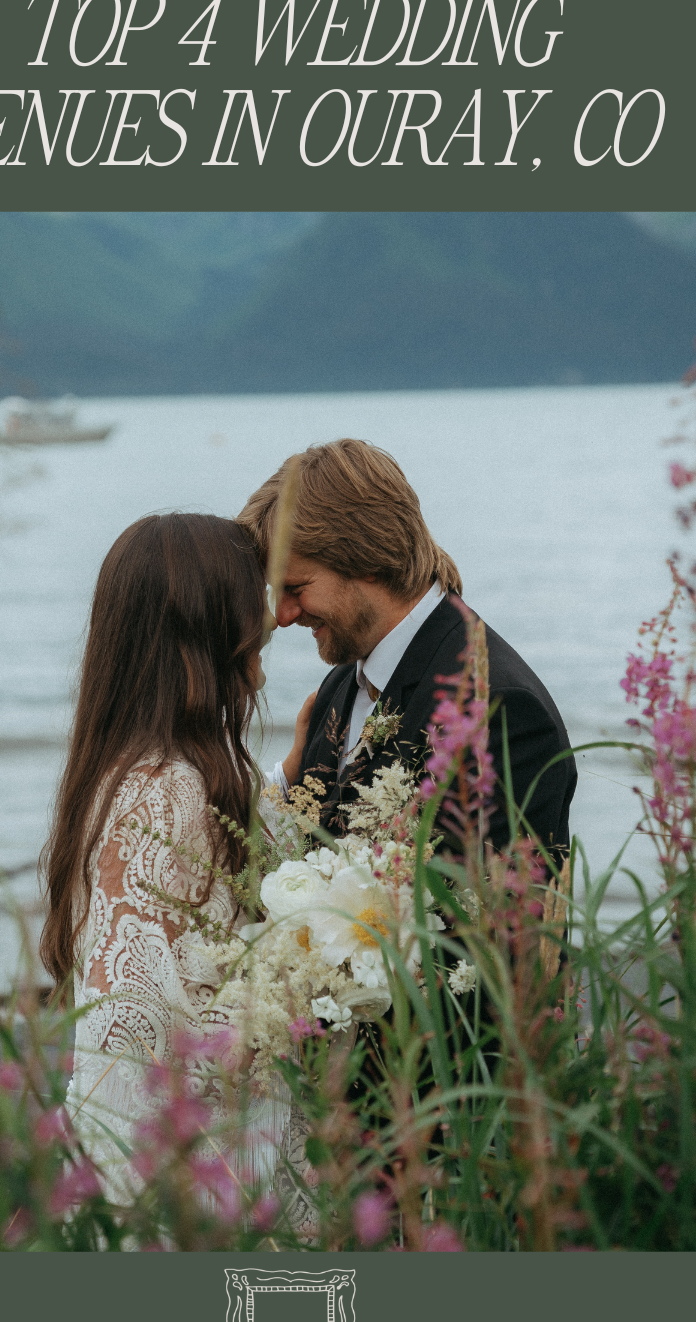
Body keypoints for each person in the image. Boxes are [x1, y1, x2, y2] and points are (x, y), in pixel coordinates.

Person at [39, 513, 289, 1206]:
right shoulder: (168, 791)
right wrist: (287, 1009)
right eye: (248, 645)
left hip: (143, 1154)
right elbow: (133, 1020)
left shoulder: (123, 771)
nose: (260, 671)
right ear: (198, 648)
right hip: (187, 1175)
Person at [239, 438, 576, 859]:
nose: (283, 615)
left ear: (367, 559)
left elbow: (499, 912)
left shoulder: (500, 710)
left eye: (295, 588)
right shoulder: (338, 688)